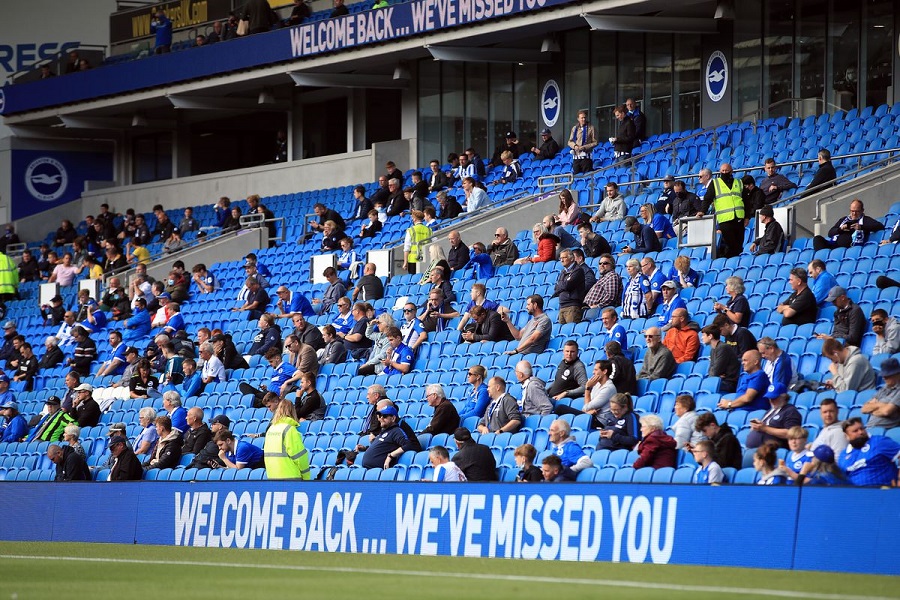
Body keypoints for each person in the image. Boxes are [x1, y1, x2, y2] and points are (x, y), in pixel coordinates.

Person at [699, 163, 744, 259]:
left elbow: (745, 201)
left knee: (739, 245)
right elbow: (707, 199)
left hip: (739, 218)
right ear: (720, 172)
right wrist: (702, 211)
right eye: (722, 171)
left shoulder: (739, 182)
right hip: (725, 219)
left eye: (726, 171)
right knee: (731, 245)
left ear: (731, 171)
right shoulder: (715, 183)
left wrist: (747, 216)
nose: (724, 172)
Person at [838, 417, 900, 486]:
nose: (860, 432)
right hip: (855, 493)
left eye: (862, 428)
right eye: (855, 431)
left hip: (882, 490)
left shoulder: (879, 442)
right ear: (846, 436)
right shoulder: (843, 455)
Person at [744, 383, 803, 448]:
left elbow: (791, 433)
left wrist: (765, 428)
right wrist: (756, 427)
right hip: (758, 450)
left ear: (784, 396)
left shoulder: (790, 411)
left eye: (774, 398)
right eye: (769, 398)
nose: (771, 401)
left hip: (773, 451)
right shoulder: (770, 411)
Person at [813, 199, 884, 251]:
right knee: (817, 239)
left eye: (857, 211)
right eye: (852, 211)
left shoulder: (865, 220)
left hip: (848, 247)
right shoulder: (844, 219)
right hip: (833, 244)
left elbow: (880, 226)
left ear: (862, 211)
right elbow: (830, 233)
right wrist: (840, 229)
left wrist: (861, 227)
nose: (854, 214)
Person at [265, 400, 310, 480]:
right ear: (292, 412)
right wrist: (306, 477)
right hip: (290, 478)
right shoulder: (289, 429)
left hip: (272, 477)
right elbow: (299, 456)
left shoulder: (270, 430)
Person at [552, 249, 586, 324]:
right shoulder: (563, 272)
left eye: (564, 258)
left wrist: (561, 284)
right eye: (560, 258)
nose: (562, 260)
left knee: (571, 330)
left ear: (572, 258)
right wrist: (562, 284)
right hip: (562, 306)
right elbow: (556, 288)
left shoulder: (578, 270)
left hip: (572, 307)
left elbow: (568, 286)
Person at [567, 110, 597, 174]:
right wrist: (575, 146)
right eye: (582, 118)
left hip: (586, 158)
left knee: (587, 175)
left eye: (584, 117)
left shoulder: (591, 128)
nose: (583, 119)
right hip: (576, 158)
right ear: (578, 119)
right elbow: (570, 141)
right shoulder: (574, 128)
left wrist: (584, 147)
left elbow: (595, 142)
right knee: (576, 177)